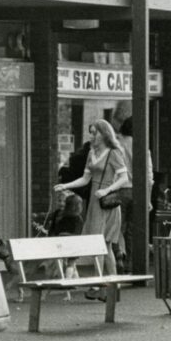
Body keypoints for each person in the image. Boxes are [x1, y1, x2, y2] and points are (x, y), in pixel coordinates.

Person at [54, 119, 127, 298]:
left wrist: (107, 190)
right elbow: (85, 179)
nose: (92, 136)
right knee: (101, 245)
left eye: (95, 132)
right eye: (91, 133)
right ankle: (108, 284)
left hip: (107, 202)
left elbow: (124, 178)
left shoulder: (114, 153)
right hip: (95, 202)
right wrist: (65, 185)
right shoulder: (91, 153)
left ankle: (101, 285)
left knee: (104, 244)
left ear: (104, 133)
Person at [116, 117, 153, 274]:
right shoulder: (142, 147)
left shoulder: (116, 145)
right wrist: (148, 198)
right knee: (132, 230)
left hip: (119, 190)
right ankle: (131, 264)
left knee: (117, 228)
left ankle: (118, 258)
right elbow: (149, 176)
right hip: (138, 192)